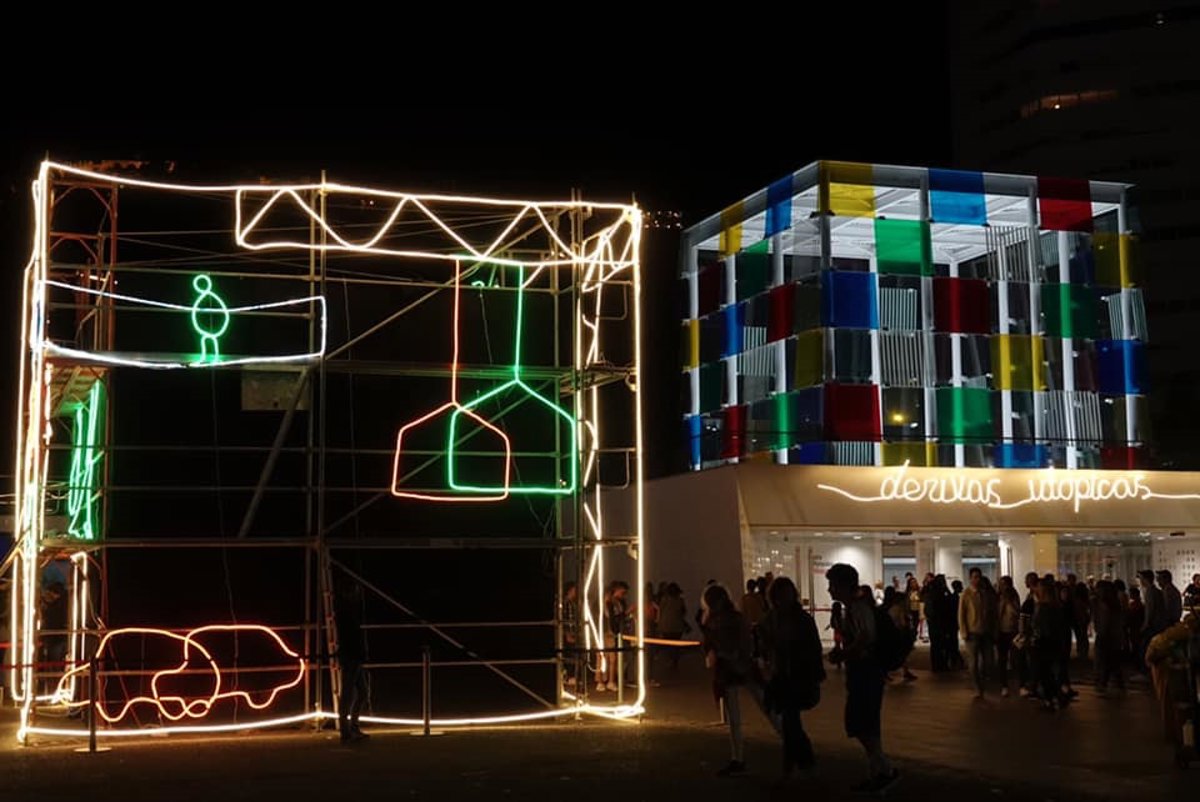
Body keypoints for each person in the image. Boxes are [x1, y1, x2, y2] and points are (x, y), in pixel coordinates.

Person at [826, 563, 900, 794]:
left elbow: (866, 638)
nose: (829, 590)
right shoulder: (854, 608)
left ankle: (884, 770)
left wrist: (844, 654)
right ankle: (878, 772)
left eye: (832, 585)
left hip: (866, 671)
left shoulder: (858, 609)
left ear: (843, 585)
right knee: (865, 723)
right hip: (865, 671)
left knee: (861, 722)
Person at [758, 577, 825, 780]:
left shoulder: (790, 620)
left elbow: (813, 648)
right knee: (790, 721)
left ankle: (797, 763)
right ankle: (797, 763)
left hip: (796, 675)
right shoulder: (778, 620)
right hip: (782, 675)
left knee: (790, 720)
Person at [702, 584, 755, 776]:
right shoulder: (734, 618)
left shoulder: (713, 621)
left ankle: (737, 758)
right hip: (740, 667)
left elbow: (713, 646)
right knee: (763, 709)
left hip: (730, 668)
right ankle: (737, 758)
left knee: (734, 716)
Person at [333, 579, 369, 742]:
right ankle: (347, 730)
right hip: (351, 655)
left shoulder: (347, 610)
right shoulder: (346, 612)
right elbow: (351, 636)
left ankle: (351, 727)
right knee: (350, 693)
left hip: (353, 655)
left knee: (360, 692)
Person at [1031, 576, 1068, 710]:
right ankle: (1055, 696)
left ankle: (1051, 698)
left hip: (1044, 642)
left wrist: (1036, 637)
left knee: (1044, 672)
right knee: (1050, 671)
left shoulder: (1043, 607)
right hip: (1054, 642)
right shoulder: (1056, 606)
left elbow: (1041, 626)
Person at [959, 568, 997, 698]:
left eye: (979, 577)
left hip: (986, 632)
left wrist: (993, 629)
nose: (977, 580)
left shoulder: (985, 594)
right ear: (970, 578)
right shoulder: (966, 594)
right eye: (974, 577)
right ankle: (977, 687)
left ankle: (983, 682)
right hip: (972, 633)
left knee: (988, 661)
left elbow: (992, 613)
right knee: (973, 662)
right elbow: (961, 614)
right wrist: (964, 631)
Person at [1092, 579, 1126, 696]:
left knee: (1105, 660)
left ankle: (1103, 683)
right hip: (1112, 636)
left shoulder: (1104, 605)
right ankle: (1116, 683)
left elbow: (1104, 622)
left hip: (1106, 636)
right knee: (1113, 660)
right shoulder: (1113, 604)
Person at [995, 575, 1020, 697]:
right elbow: (997, 614)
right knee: (1002, 659)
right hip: (1001, 631)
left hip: (1012, 630)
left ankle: (1019, 683)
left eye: (1004, 584)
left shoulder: (1013, 597)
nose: (1002, 587)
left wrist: (1008, 602)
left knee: (1016, 658)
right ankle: (1004, 685)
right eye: (1001, 584)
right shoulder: (998, 598)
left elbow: (1016, 612)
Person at [1138, 570, 1167, 666]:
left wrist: (1145, 625)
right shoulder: (1156, 591)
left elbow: (1150, 611)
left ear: (1145, 579)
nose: (1140, 581)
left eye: (1141, 578)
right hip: (1158, 624)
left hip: (1153, 626)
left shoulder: (1150, 592)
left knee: (1146, 648)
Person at [657, 583, 688, 672]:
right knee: (676, 645)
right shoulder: (680, 600)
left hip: (665, 626)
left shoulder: (664, 600)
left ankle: (670, 660)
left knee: (668, 644)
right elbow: (683, 612)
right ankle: (674, 661)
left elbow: (660, 611)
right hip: (677, 626)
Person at [562, 581, 579, 688]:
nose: (576, 592)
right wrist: (567, 633)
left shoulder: (572, 603)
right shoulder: (565, 603)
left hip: (572, 632)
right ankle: (569, 676)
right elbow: (564, 619)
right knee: (569, 654)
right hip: (569, 633)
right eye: (574, 590)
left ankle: (570, 675)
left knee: (572, 653)